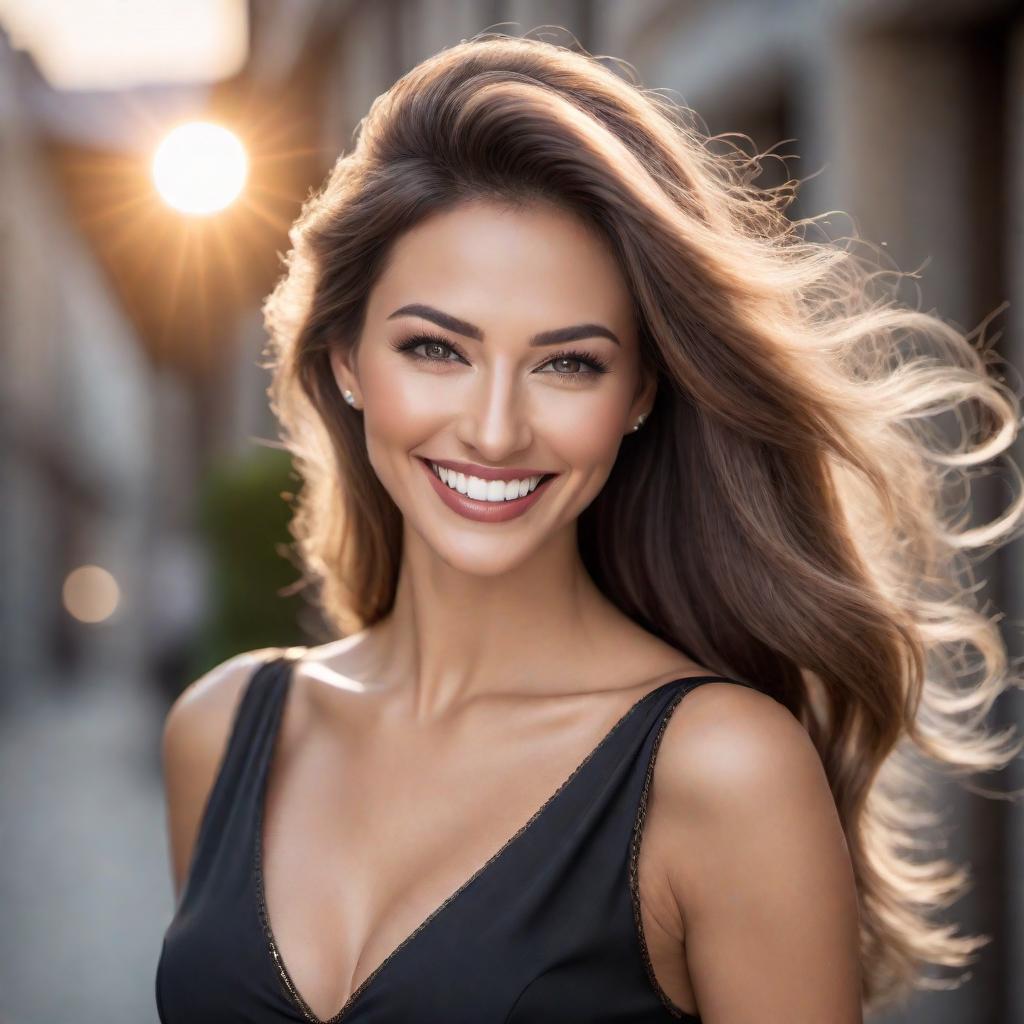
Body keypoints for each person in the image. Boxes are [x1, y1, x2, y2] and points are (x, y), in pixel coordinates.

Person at [155, 32, 1022, 1024]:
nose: (492, 429)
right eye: (436, 347)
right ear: (347, 357)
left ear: (640, 391)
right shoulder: (220, 730)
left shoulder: (721, 770)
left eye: (567, 363)